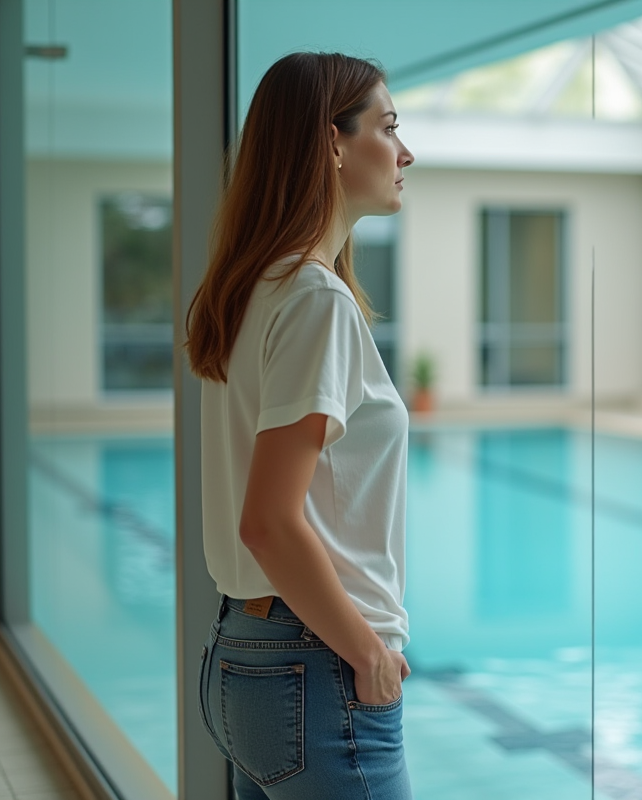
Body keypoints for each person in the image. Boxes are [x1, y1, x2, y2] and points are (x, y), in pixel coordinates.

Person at [184, 52, 415, 799]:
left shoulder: (254, 288)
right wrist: (368, 654)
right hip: (318, 667)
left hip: (243, 656)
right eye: (388, 127)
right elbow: (270, 523)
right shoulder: (315, 301)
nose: (405, 152)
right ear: (333, 144)